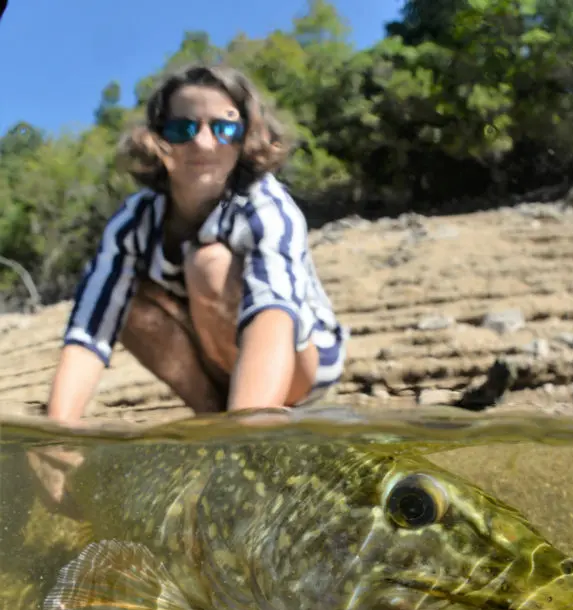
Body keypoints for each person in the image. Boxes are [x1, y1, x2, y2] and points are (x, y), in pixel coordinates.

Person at [30, 63, 347, 512]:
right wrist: (55, 440)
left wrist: (244, 446)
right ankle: (213, 416)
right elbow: (90, 330)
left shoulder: (267, 205)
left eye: (223, 126)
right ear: (157, 139)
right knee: (129, 298)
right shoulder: (134, 220)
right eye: (183, 127)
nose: (203, 142)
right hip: (215, 353)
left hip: (299, 360)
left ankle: (242, 421)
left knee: (209, 263)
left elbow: (274, 313)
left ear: (247, 135)